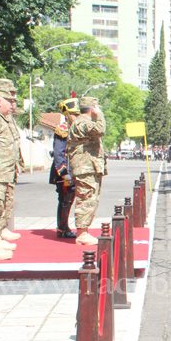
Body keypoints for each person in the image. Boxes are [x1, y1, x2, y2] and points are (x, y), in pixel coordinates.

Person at [66, 96, 107, 246]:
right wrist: (100, 116)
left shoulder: (85, 122)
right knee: (86, 199)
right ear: (92, 108)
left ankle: (84, 231)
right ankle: (82, 233)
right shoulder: (82, 122)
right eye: (97, 107)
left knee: (90, 199)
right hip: (84, 168)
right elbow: (100, 130)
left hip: (90, 167)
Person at [0, 79, 21, 259]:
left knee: (2, 206)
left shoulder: (3, 119)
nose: (13, 104)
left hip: (4, 172)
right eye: (9, 100)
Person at [50, 100, 76, 239]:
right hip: (64, 172)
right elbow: (59, 154)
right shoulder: (63, 129)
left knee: (70, 198)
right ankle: (62, 228)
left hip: (74, 170)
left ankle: (64, 226)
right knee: (65, 198)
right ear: (67, 114)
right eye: (74, 114)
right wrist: (64, 174)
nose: (77, 116)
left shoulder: (75, 128)